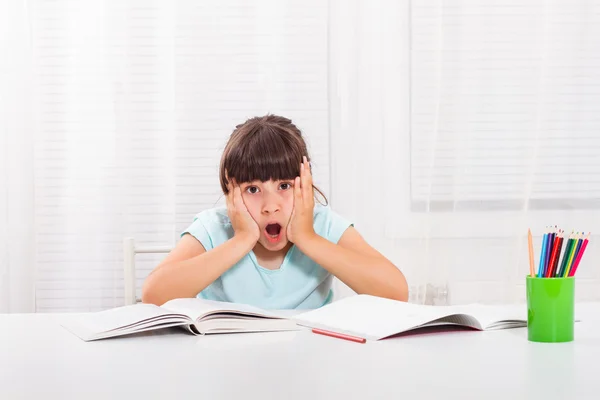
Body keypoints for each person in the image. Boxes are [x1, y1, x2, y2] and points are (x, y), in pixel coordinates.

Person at [142, 114, 408, 309]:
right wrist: (241, 240)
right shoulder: (213, 228)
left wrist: (307, 238)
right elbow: (154, 295)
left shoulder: (322, 226)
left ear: (306, 185)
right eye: (253, 189)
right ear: (230, 192)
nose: (271, 206)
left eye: (284, 185)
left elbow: (395, 293)